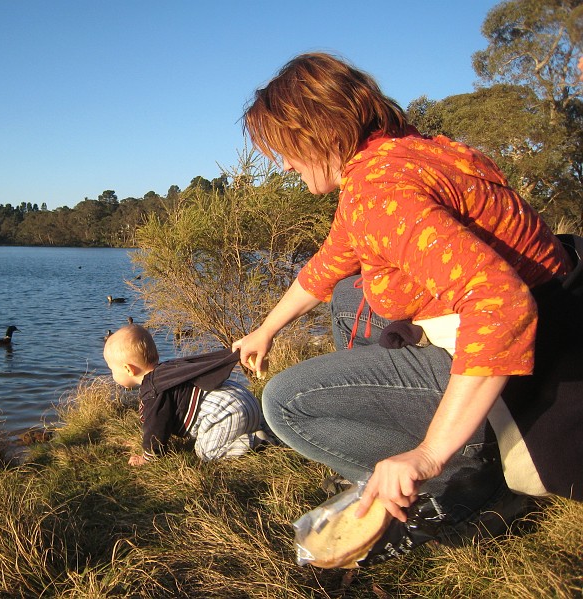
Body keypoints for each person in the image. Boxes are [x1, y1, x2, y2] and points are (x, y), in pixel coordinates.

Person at [232, 52, 583, 562]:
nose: (284, 164)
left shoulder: (378, 191)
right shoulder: (404, 154)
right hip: (562, 325)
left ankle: (466, 488)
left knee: (286, 401)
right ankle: (417, 448)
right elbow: (331, 263)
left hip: (531, 379)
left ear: (321, 132)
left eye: (285, 149)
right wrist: (265, 330)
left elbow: (500, 303)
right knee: (351, 294)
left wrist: (428, 453)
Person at [103, 324, 273, 466]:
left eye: (112, 370)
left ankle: (256, 443)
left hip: (227, 413)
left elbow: (155, 429)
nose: (112, 374)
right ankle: (266, 430)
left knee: (206, 452)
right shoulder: (171, 370)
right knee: (235, 423)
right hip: (246, 400)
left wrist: (148, 457)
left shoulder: (153, 391)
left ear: (128, 369)